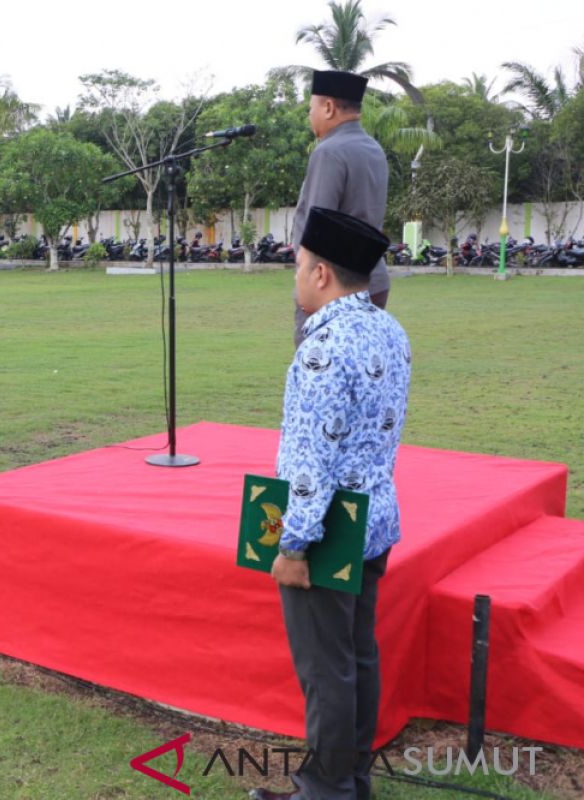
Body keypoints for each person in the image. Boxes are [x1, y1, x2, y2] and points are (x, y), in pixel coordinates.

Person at [250, 207, 410, 800]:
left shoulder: (321, 351)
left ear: (321, 273)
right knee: (357, 658)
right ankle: (351, 781)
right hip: (373, 519)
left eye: (297, 266)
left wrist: (293, 545)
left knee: (327, 669)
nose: (294, 278)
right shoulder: (388, 330)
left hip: (326, 531)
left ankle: (325, 790)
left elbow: (314, 461)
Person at [291, 70, 390, 348]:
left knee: (319, 373)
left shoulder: (330, 151)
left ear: (329, 107)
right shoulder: (373, 149)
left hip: (332, 290)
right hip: (372, 280)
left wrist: (306, 288)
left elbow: (315, 230)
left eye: (311, 108)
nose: (310, 116)